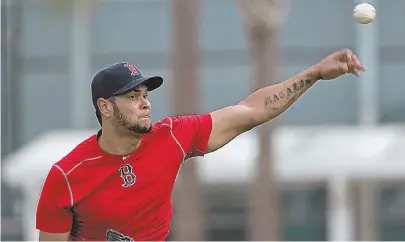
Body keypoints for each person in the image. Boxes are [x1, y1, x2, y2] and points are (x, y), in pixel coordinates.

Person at [36, 49, 365, 241]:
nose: (145, 103)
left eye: (146, 95)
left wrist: (316, 73)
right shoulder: (66, 177)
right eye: (132, 97)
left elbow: (252, 110)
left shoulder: (172, 137)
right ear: (105, 107)